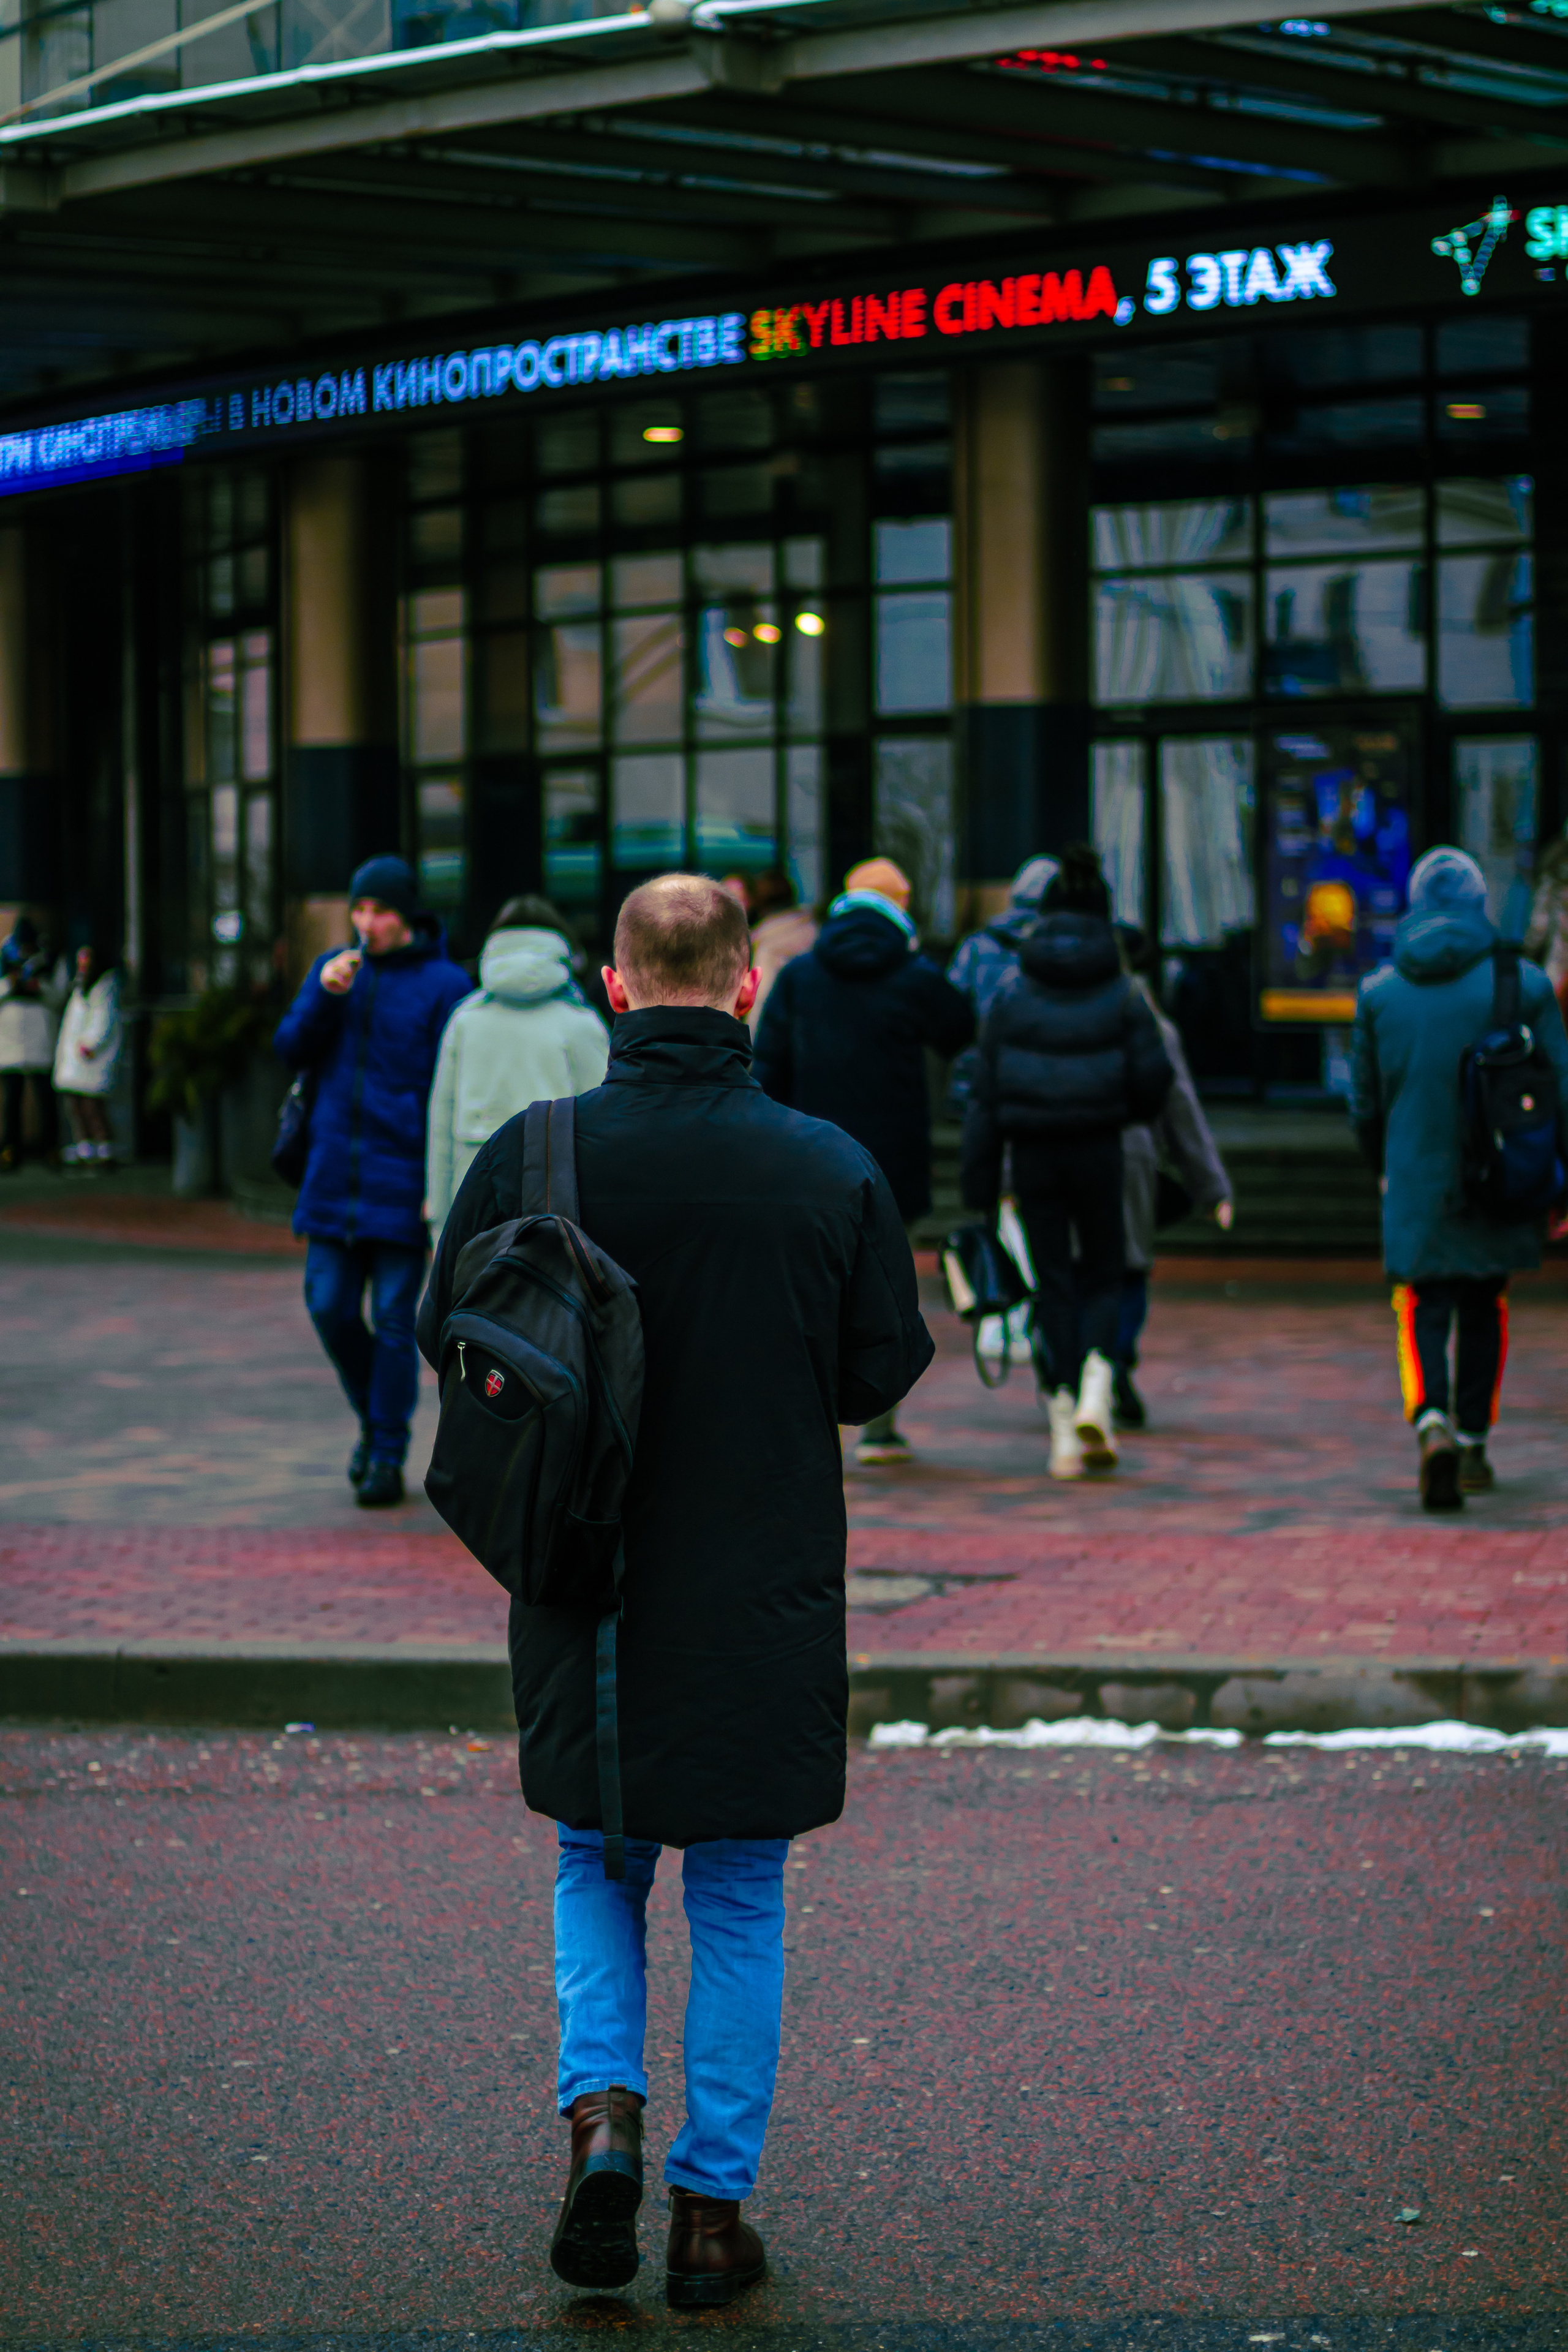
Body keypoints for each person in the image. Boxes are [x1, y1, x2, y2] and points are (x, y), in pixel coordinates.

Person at [420, 872, 931, 2307]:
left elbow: (440, 1330)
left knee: (596, 1853)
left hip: (585, 1573)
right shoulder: (827, 1166)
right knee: (743, 1886)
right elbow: (877, 1368)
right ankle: (710, 2215)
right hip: (760, 1578)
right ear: (748, 986)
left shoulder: (536, 1154)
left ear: (614, 987)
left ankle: (602, 2117)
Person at [1350, 845, 1568, 1510]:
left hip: (1416, 1176)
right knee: (1484, 1303)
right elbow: (1558, 1090)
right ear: (1478, 906)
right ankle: (1473, 1440)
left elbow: (1364, 1105)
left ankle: (1431, 1422)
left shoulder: (1379, 994)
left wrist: (1380, 1166)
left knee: (1421, 1303)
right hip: (1502, 1175)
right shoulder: (1523, 985)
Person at [960, 843, 1173, 1481]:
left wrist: (978, 1179)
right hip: (1098, 1147)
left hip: (1032, 1155)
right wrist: (1118, 1109)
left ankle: (1059, 1426)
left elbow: (985, 1095)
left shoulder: (1010, 992)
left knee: (1051, 1281)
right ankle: (1097, 1390)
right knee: (1105, 1274)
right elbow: (1155, 1079)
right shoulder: (1125, 990)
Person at [752, 856, 973, 1465]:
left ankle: (812, 1416)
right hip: (892, 1163)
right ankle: (878, 1427)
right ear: (900, 907)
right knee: (886, 1288)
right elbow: (961, 1027)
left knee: (816, 1285)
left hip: (809, 1157)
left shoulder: (800, 976)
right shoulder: (912, 972)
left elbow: (767, 1064)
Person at [274, 854, 472, 1508]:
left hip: (402, 1178)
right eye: (359, 909)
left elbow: (451, 1089)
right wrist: (325, 996)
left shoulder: (446, 985)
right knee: (328, 1305)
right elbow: (290, 1048)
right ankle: (374, 1421)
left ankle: (387, 1452)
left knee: (393, 1319)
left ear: (407, 915)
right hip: (333, 1175)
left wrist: (439, 1185)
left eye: (380, 911)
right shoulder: (337, 973)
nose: (366, 923)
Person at [424, 897, 609, 1237]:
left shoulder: (464, 1021)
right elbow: (608, 1132)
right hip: (564, 1226)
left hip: (473, 1221)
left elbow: (441, 1128)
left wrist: (438, 1219)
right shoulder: (582, 1023)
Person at [1112, 924, 1232, 1429]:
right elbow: (1179, 1108)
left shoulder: (1034, 1007)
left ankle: (1075, 1372)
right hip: (1130, 1158)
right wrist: (1211, 1186)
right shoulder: (1148, 1021)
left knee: (1072, 1269)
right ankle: (1113, 1361)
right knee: (1129, 1266)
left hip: (1055, 1157)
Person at [946, 855, 1058, 1372]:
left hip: (982, 1092)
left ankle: (998, 1313)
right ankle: (1028, 1312)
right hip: (1043, 1095)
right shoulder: (1065, 949)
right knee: (1035, 1201)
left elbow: (952, 1010)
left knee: (996, 1200)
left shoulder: (978, 946)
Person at [0, 914, 64, 1172]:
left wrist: (40, 988)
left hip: (40, 1036)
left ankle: (51, 1148)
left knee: (45, 1098)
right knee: (12, 1100)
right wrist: (10, 985)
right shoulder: (3, 958)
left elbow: (59, 997)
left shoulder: (49, 959)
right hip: (10, 1040)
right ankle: (10, 1149)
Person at [51, 944, 123, 1167]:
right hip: (76, 1059)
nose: (82, 963)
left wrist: (90, 1044)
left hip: (89, 1058)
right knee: (77, 1106)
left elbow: (104, 1021)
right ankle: (86, 1147)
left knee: (92, 1107)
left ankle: (104, 1148)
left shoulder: (103, 988)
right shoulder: (80, 985)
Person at [742, 868, 817, 1037]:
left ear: (759, 905)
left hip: (779, 1043)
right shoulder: (816, 935)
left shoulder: (768, 946)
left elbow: (761, 1004)